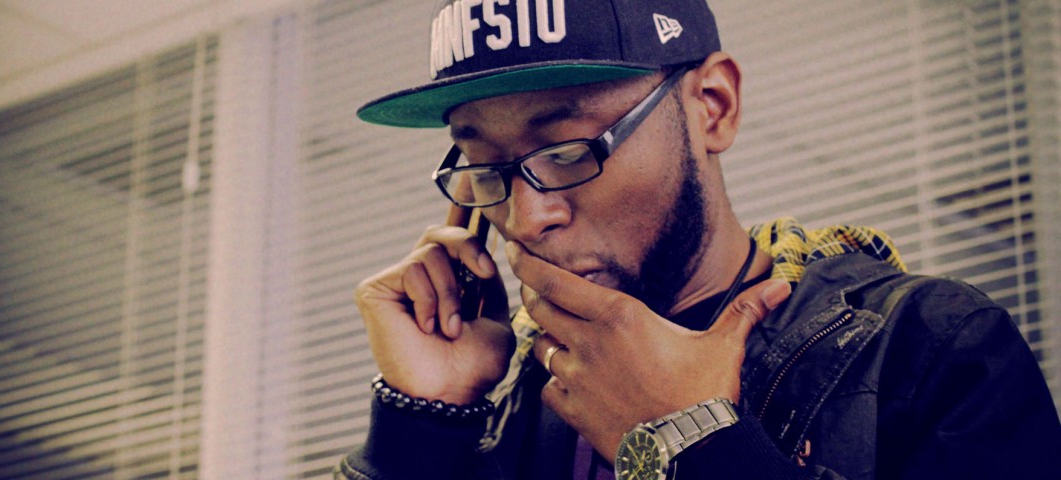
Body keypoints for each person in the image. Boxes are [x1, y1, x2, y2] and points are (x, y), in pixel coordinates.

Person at [336, 0, 1061, 478]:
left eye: (568, 151)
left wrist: (697, 444)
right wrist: (416, 425)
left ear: (713, 106)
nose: (527, 221)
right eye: (486, 166)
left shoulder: (928, 350)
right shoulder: (513, 404)